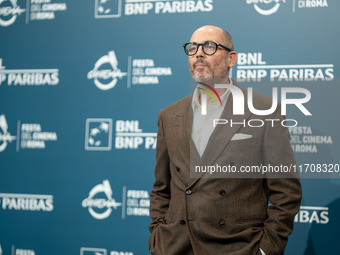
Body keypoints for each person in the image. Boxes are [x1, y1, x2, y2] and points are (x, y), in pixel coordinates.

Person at [148, 25, 302, 255]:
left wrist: (265, 250)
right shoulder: (169, 115)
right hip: (174, 246)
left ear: (231, 59)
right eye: (192, 48)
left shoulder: (264, 111)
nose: (199, 53)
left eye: (209, 46)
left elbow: (286, 192)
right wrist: (158, 236)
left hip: (236, 248)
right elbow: (162, 188)